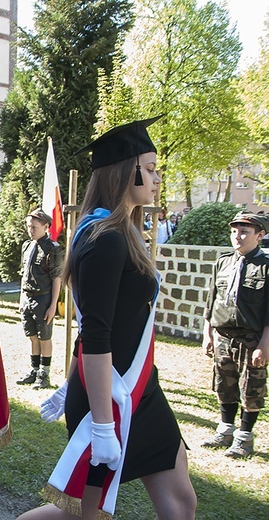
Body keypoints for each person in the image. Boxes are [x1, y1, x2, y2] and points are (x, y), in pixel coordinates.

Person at [21, 118, 196, 520]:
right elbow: (95, 334)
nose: (156, 178)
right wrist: (100, 423)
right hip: (111, 398)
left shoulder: (121, 232)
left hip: (141, 391)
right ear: (125, 170)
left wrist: (68, 383)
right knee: (82, 513)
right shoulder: (106, 238)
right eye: (149, 169)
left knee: (181, 502)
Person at [201, 211, 269, 458]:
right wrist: (207, 334)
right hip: (223, 335)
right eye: (234, 231)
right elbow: (211, 302)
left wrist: (264, 344)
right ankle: (225, 429)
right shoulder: (224, 262)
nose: (237, 236)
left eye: (244, 232)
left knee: (251, 388)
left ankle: (244, 437)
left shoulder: (265, 267)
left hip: (251, 338)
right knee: (223, 384)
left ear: (260, 235)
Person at [16, 209, 62, 389]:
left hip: (43, 298)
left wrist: (53, 306)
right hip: (28, 297)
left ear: (46, 227)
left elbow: (56, 278)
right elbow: (24, 275)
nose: (31, 230)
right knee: (33, 336)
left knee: (45, 337)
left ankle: (44, 374)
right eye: (29, 226)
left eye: (35, 227)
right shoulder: (27, 246)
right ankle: (34, 370)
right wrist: (22, 299)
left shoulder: (53, 248)